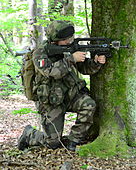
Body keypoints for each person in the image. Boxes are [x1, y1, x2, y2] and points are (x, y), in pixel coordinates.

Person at [17, 20, 106, 151]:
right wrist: (72, 58)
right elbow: (52, 72)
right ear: (55, 40)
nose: (70, 41)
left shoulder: (70, 48)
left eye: (71, 37)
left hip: (70, 95)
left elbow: (84, 68)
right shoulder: (40, 53)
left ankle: (73, 141)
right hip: (51, 101)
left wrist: (95, 62)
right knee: (52, 143)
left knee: (89, 105)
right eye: (66, 39)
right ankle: (29, 134)